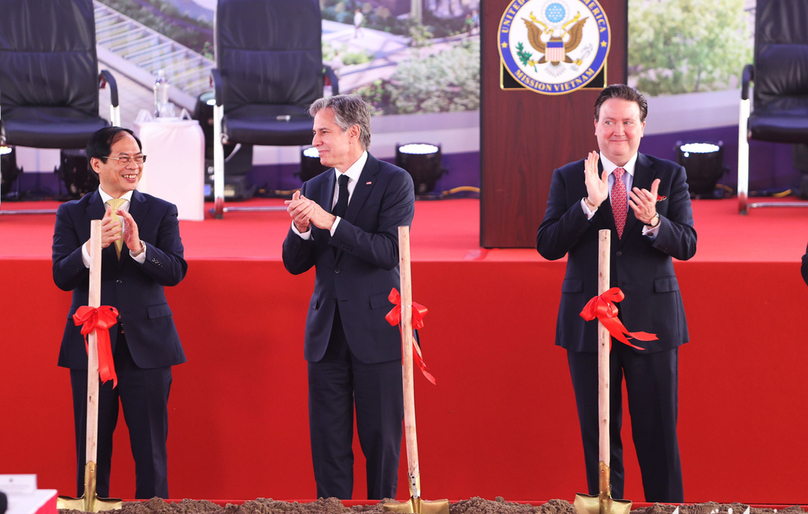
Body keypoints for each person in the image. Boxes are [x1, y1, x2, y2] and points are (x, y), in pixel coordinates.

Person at [536, 84, 697, 503]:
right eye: (609, 122)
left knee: (658, 435)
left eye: (628, 122)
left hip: (653, 321)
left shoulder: (670, 173)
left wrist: (655, 222)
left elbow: (688, 245)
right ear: (595, 127)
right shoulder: (570, 177)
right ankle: (608, 508)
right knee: (600, 437)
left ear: (642, 127)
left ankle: (667, 511)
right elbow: (548, 245)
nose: (618, 131)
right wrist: (588, 205)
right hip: (589, 324)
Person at [282, 94, 415, 500]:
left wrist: (331, 222)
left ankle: (382, 509)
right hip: (326, 335)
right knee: (328, 443)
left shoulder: (394, 181)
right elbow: (294, 264)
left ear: (352, 132)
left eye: (323, 132)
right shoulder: (314, 185)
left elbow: (388, 252)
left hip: (378, 330)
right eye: (314, 132)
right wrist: (302, 229)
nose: (315, 140)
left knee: (381, 441)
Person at [53, 126, 187, 499]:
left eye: (138, 158)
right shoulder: (72, 213)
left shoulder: (160, 211)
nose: (134, 166)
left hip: (148, 348)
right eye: (123, 158)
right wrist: (90, 248)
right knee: (92, 448)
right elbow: (62, 277)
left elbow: (176, 271)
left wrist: (138, 246)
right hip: (91, 348)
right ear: (97, 164)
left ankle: (154, 509)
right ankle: (93, 505)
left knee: (151, 451)